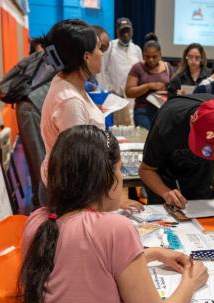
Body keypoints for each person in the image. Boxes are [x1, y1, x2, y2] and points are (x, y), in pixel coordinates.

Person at [20, 125, 209, 303]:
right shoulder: (112, 228)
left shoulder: (37, 221)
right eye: (119, 169)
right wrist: (190, 282)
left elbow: (85, 270)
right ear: (105, 176)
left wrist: (152, 254)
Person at [39, 20, 142, 211]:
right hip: (73, 196)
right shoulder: (70, 101)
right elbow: (80, 164)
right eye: (98, 48)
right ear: (86, 57)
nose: (101, 53)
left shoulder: (68, 84)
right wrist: (113, 203)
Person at [139, 95, 214, 207]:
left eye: (212, 146)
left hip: (200, 175)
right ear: (192, 121)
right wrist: (166, 193)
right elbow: (146, 170)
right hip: (163, 176)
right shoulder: (168, 120)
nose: (205, 150)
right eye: (201, 142)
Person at [96, 17, 143, 125]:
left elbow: (141, 73)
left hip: (133, 99)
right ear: (117, 31)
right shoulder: (110, 47)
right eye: (122, 31)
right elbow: (102, 72)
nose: (125, 34)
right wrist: (108, 92)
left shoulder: (137, 49)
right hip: (115, 98)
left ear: (132, 31)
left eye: (127, 31)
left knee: (133, 129)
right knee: (117, 129)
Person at [125, 39, 174, 130]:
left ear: (160, 55)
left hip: (164, 112)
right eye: (147, 57)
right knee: (145, 141)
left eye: (154, 57)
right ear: (143, 55)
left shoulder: (168, 67)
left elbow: (174, 88)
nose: (151, 60)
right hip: (143, 112)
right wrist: (149, 86)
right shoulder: (137, 68)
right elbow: (129, 92)